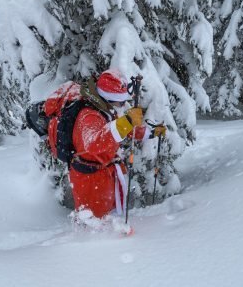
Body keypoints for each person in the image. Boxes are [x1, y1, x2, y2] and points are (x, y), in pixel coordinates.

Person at [45, 69, 166, 218]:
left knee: (109, 217)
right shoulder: (89, 115)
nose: (123, 105)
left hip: (103, 175)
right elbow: (94, 143)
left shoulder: (104, 109)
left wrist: (149, 133)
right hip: (90, 181)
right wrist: (127, 121)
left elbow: (116, 130)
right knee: (95, 223)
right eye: (121, 101)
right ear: (109, 98)